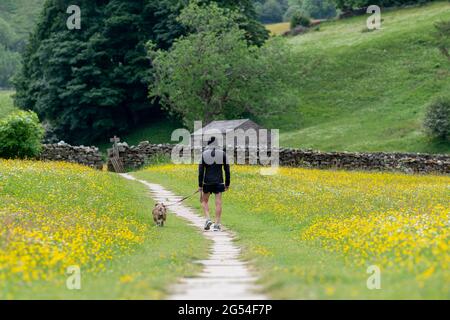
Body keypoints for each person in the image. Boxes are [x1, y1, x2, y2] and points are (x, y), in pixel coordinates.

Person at [198, 137, 230, 231]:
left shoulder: (204, 154)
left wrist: (200, 185)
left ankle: (208, 218)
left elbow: (201, 171)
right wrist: (227, 183)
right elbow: (227, 170)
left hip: (207, 182)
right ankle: (216, 225)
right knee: (218, 203)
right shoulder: (223, 154)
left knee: (204, 201)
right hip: (219, 182)